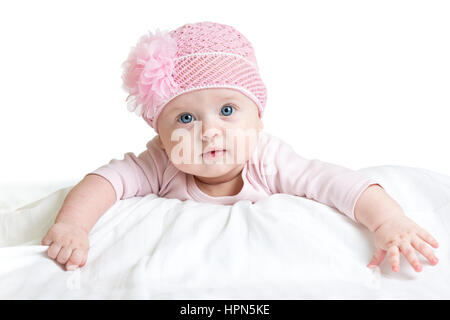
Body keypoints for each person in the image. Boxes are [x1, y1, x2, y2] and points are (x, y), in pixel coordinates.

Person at [41, 21, 439, 273]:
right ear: (159, 134)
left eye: (228, 110)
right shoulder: (159, 163)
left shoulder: (268, 158)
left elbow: (337, 182)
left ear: (259, 119)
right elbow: (104, 182)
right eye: (184, 118)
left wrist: (388, 222)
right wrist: (74, 225)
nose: (209, 131)